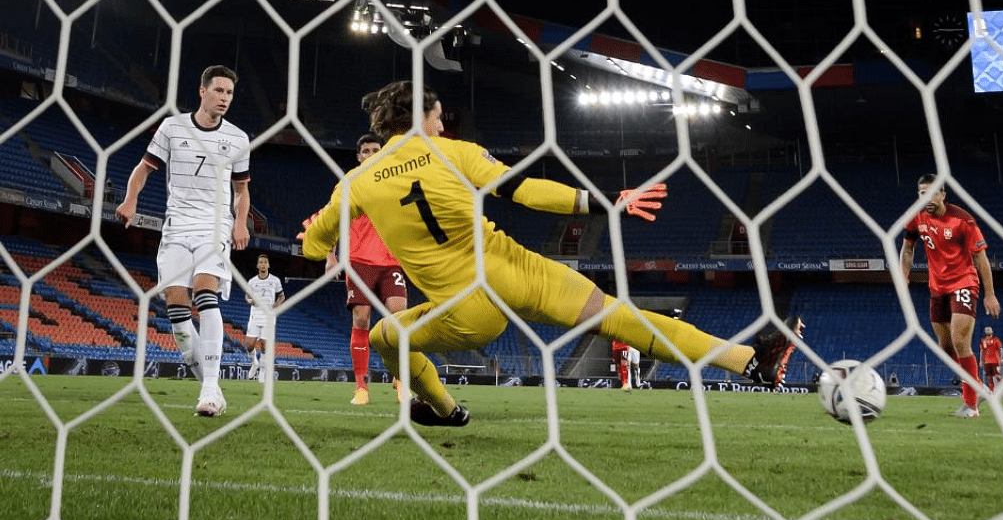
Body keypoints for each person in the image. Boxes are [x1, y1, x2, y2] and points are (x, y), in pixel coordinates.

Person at [299, 81, 803, 427]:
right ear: (421, 121)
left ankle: (444, 409)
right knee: (620, 317)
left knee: (388, 336)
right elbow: (526, 192)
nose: (442, 125)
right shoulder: (458, 154)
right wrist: (606, 203)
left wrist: (313, 235)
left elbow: (314, 243)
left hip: (467, 307)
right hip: (518, 269)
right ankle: (749, 361)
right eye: (437, 118)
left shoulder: (356, 184)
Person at [116, 65, 251, 417]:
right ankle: (210, 384)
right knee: (177, 312)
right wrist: (130, 200)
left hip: (214, 226)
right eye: (219, 91)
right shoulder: (173, 127)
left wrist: (239, 223)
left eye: (230, 93)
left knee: (205, 295)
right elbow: (143, 168)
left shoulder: (238, 138)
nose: (225, 98)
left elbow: (242, 190)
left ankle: (208, 390)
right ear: (202, 91)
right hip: (176, 227)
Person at [900, 174, 1001, 418]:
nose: (928, 198)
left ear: (943, 194)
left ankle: (971, 405)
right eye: (922, 193)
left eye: (933, 192)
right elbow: (907, 248)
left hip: (964, 284)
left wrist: (990, 295)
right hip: (937, 288)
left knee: (959, 342)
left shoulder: (962, 220)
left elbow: (980, 258)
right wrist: (903, 277)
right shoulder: (916, 216)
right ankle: (976, 384)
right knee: (945, 348)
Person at [329, 133, 411, 405]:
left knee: (399, 318)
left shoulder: (397, 182)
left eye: (376, 149)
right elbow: (330, 219)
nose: (371, 153)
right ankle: (361, 386)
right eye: (366, 150)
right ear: (358, 156)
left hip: (392, 260)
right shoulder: (349, 184)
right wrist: (330, 254)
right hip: (359, 260)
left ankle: (400, 378)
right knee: (362, 319)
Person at [244, 254, 284, 383]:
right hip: (255, 315)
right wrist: (250, 301)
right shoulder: (252, 281)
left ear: (268, 265)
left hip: (269, 316)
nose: (262, 264)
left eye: (265, 262)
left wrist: (277, 303)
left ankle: (262, 373)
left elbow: (282, 296)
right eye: (260, 262)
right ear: (257, 265)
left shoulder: (275, 280)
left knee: (265, 345)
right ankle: (254, 363)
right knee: (249, 345)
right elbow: (247, 296)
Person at [978, 326, 1003, 393]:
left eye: (989, 330)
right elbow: (982, 351)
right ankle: (992, 392)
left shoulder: (996, 340)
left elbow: (1000, 350)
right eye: (986, 330)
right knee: (990, 377)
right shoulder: (983, 340)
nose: (988, 331)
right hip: (987, 361)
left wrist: (1001, 359)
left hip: (995, 361)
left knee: (997, 375)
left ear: (992, 331)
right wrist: (981, 361)